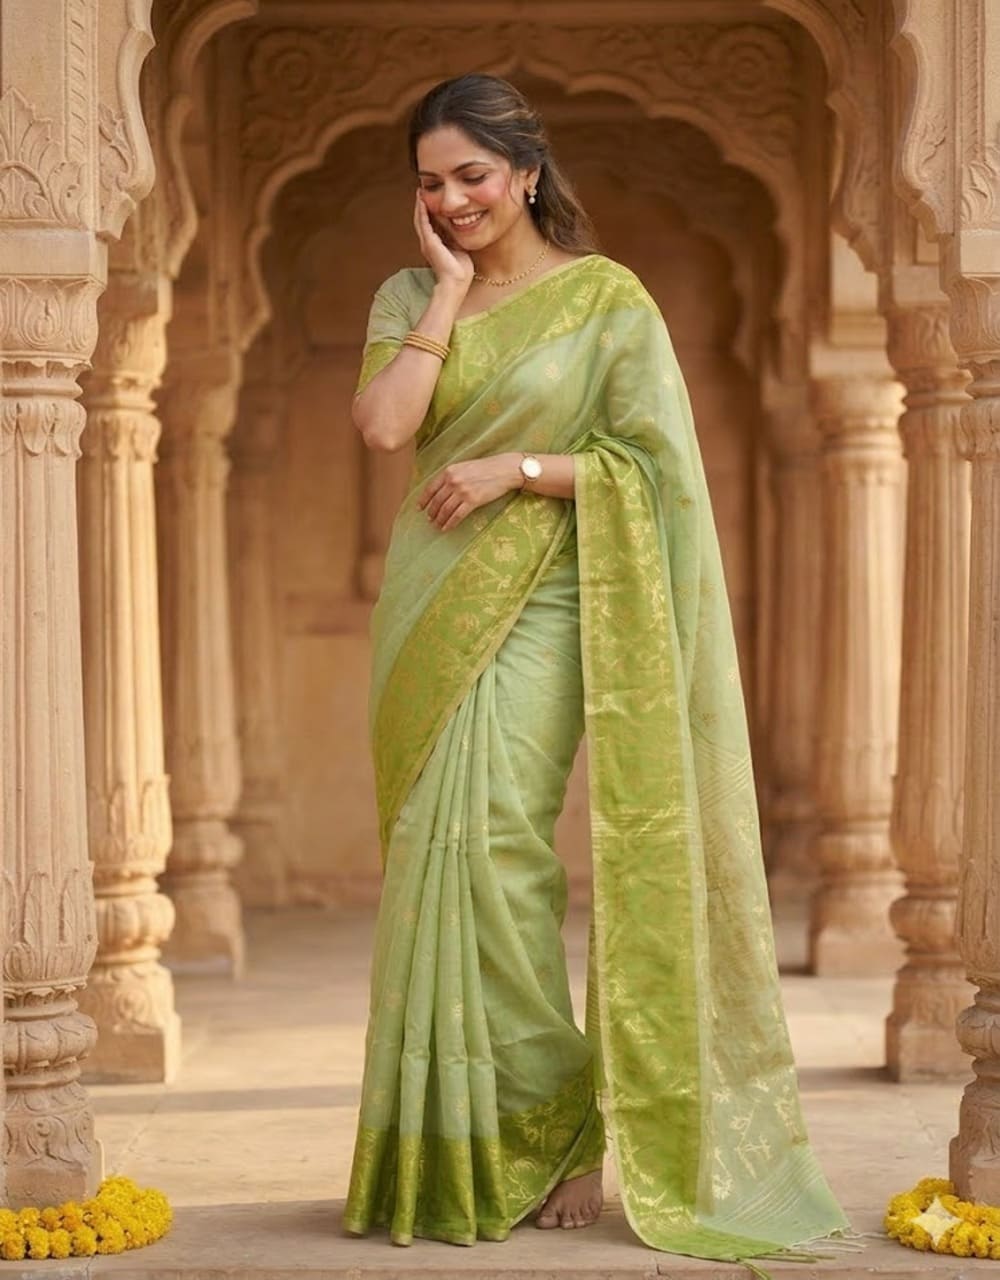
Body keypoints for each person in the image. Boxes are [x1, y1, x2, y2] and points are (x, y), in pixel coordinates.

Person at [342, 72, 848, 1265]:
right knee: (432, 854)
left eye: (473, 175)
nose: (452, 199)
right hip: (425, 604)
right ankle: (459, 1142)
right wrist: (451, 293)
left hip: (548, 593)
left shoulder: (608, 301)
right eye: (430, 181)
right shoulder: (413, 290)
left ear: (525, 171)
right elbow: (381, 424)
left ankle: (562, 1124)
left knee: (503, 845)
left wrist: (519, 467)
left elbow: (654, 468)